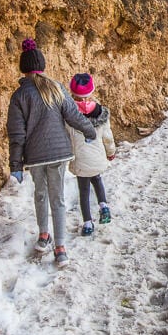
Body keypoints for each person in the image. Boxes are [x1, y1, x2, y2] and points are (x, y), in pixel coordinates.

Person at [7, 38, 96, 268]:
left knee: (40, 194)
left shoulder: (19, 96)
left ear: (23, 69)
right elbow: (74, 116)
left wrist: (16, 165)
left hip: (35, 156)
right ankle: (61, 248)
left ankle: (44, 235)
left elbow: (17, 134)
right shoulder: (56, 88)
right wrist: (89, 131)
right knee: (58, 199)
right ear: (42, 66)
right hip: (59, 154)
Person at [67, 73, 116, 236]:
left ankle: (88, 223)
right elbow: (108, 137)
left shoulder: (68, 115)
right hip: (97, 158)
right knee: (97, 179)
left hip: (81, 161)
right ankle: (104, 207)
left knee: (84, 191)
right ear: (92, 91)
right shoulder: (101, 112)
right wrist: (111, 153)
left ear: (72, 93)